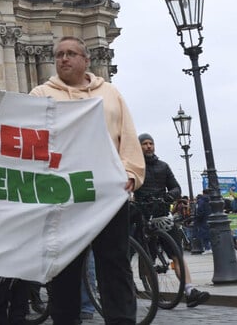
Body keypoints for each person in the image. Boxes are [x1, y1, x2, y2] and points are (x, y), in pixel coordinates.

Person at [30, 36, 145, 325]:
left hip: (108, 194)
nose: (63, 59)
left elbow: (127, 136)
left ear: (86, 60)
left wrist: (131, 174)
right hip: (64, 196)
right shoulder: (41, 94)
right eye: (59, 55)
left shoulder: (110, 94)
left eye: (70, 54)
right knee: (64, 269)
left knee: (115, 265)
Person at [134, 133, 210, 307]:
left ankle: (190, 290)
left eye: (150, 143)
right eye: (144, 144)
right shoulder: (136, 167)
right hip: (144, 216)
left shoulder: (163, 166)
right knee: (148, 257)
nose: (148, 146)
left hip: (163, 214)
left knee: (176, 253)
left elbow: (176, 187)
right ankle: (153, 293)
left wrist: (169, 196)